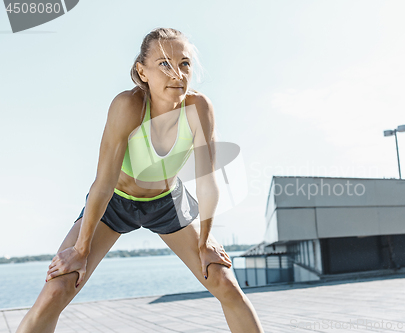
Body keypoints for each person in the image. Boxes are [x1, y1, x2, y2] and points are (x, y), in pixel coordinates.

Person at [15, 27, 264, 333]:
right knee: (57, 289)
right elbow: (103, 184)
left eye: (184, 64)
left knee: (225, 282)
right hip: (115, 202)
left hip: (168, 203)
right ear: (142, 71)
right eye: (164, 64)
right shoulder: (128, 106)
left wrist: (206, 241)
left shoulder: (199, 109)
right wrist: (80, 251)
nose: (177, 74)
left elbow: (207, 181)